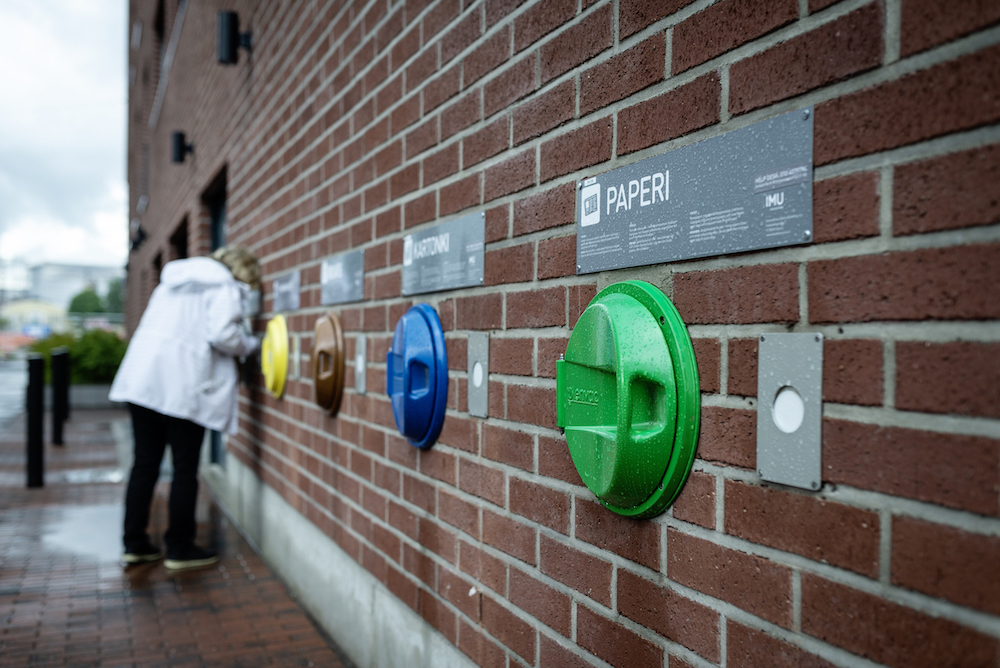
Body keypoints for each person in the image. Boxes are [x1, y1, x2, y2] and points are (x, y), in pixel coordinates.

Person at [109, 246, 260, 569]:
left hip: (143, 380)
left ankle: (134, 544)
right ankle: (179, 547)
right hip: (183, 387)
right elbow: (223, 335)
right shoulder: (224, 286)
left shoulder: (173, 282)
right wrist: (251, 344)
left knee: (144, 464)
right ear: (242, 271)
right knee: (184, 468)